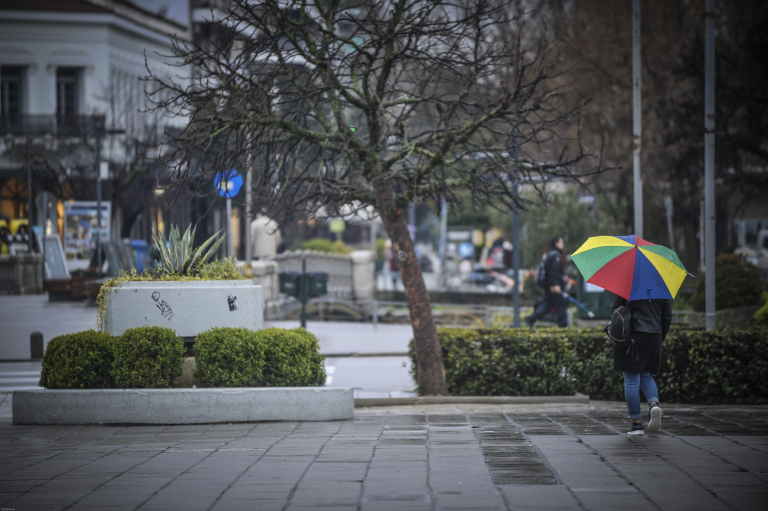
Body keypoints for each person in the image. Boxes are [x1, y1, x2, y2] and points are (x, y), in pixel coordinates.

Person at [610, 293, 672, 435]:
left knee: (631, 380)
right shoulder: (660, 284)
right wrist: (660, 336)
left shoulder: (627, 282)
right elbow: (667, 316)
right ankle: (653, 405)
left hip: (633, 335)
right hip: (655, 335)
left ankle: (637, 425)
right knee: (647, 375)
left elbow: (615, 310)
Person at [526, 236, 568, 327]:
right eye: (561, 242)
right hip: (554, 287)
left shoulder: (550, 254)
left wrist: (561, 278)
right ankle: (563, 327)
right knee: (561, 305)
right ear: (557, 243)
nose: (562, 244)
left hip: (549, 286)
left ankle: (532, 318)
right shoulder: (556, 255)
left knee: (548, 304)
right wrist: (556, 284)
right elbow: (554, 271)